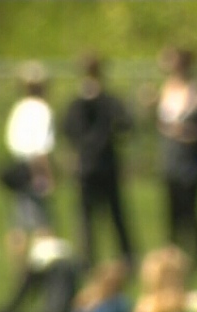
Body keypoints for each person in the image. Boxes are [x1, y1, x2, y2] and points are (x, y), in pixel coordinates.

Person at [60, 53, 137, 270]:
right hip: (104, 163)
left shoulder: (79, 102)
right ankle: (125, 256)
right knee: (113, 214)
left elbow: (68, 131)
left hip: (90, 164)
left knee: (89, 216)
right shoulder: (108, 100)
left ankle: (89, 258)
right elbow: (125, 126)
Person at [0, 61, 58, 271]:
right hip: (35, 170)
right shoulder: (42, 109)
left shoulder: (19, 108)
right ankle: (44, 266)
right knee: (43, 223)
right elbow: (40, 148)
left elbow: (12, 140)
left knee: (18, 222)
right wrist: (47, 176)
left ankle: (20, 267)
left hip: (18, 166)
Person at [157, 48, 197, 269]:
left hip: (191, 160)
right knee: (171, 210)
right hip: (170, 157)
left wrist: (185, 132)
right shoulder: (166, 90)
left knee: (191, 209)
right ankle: (172, 254)